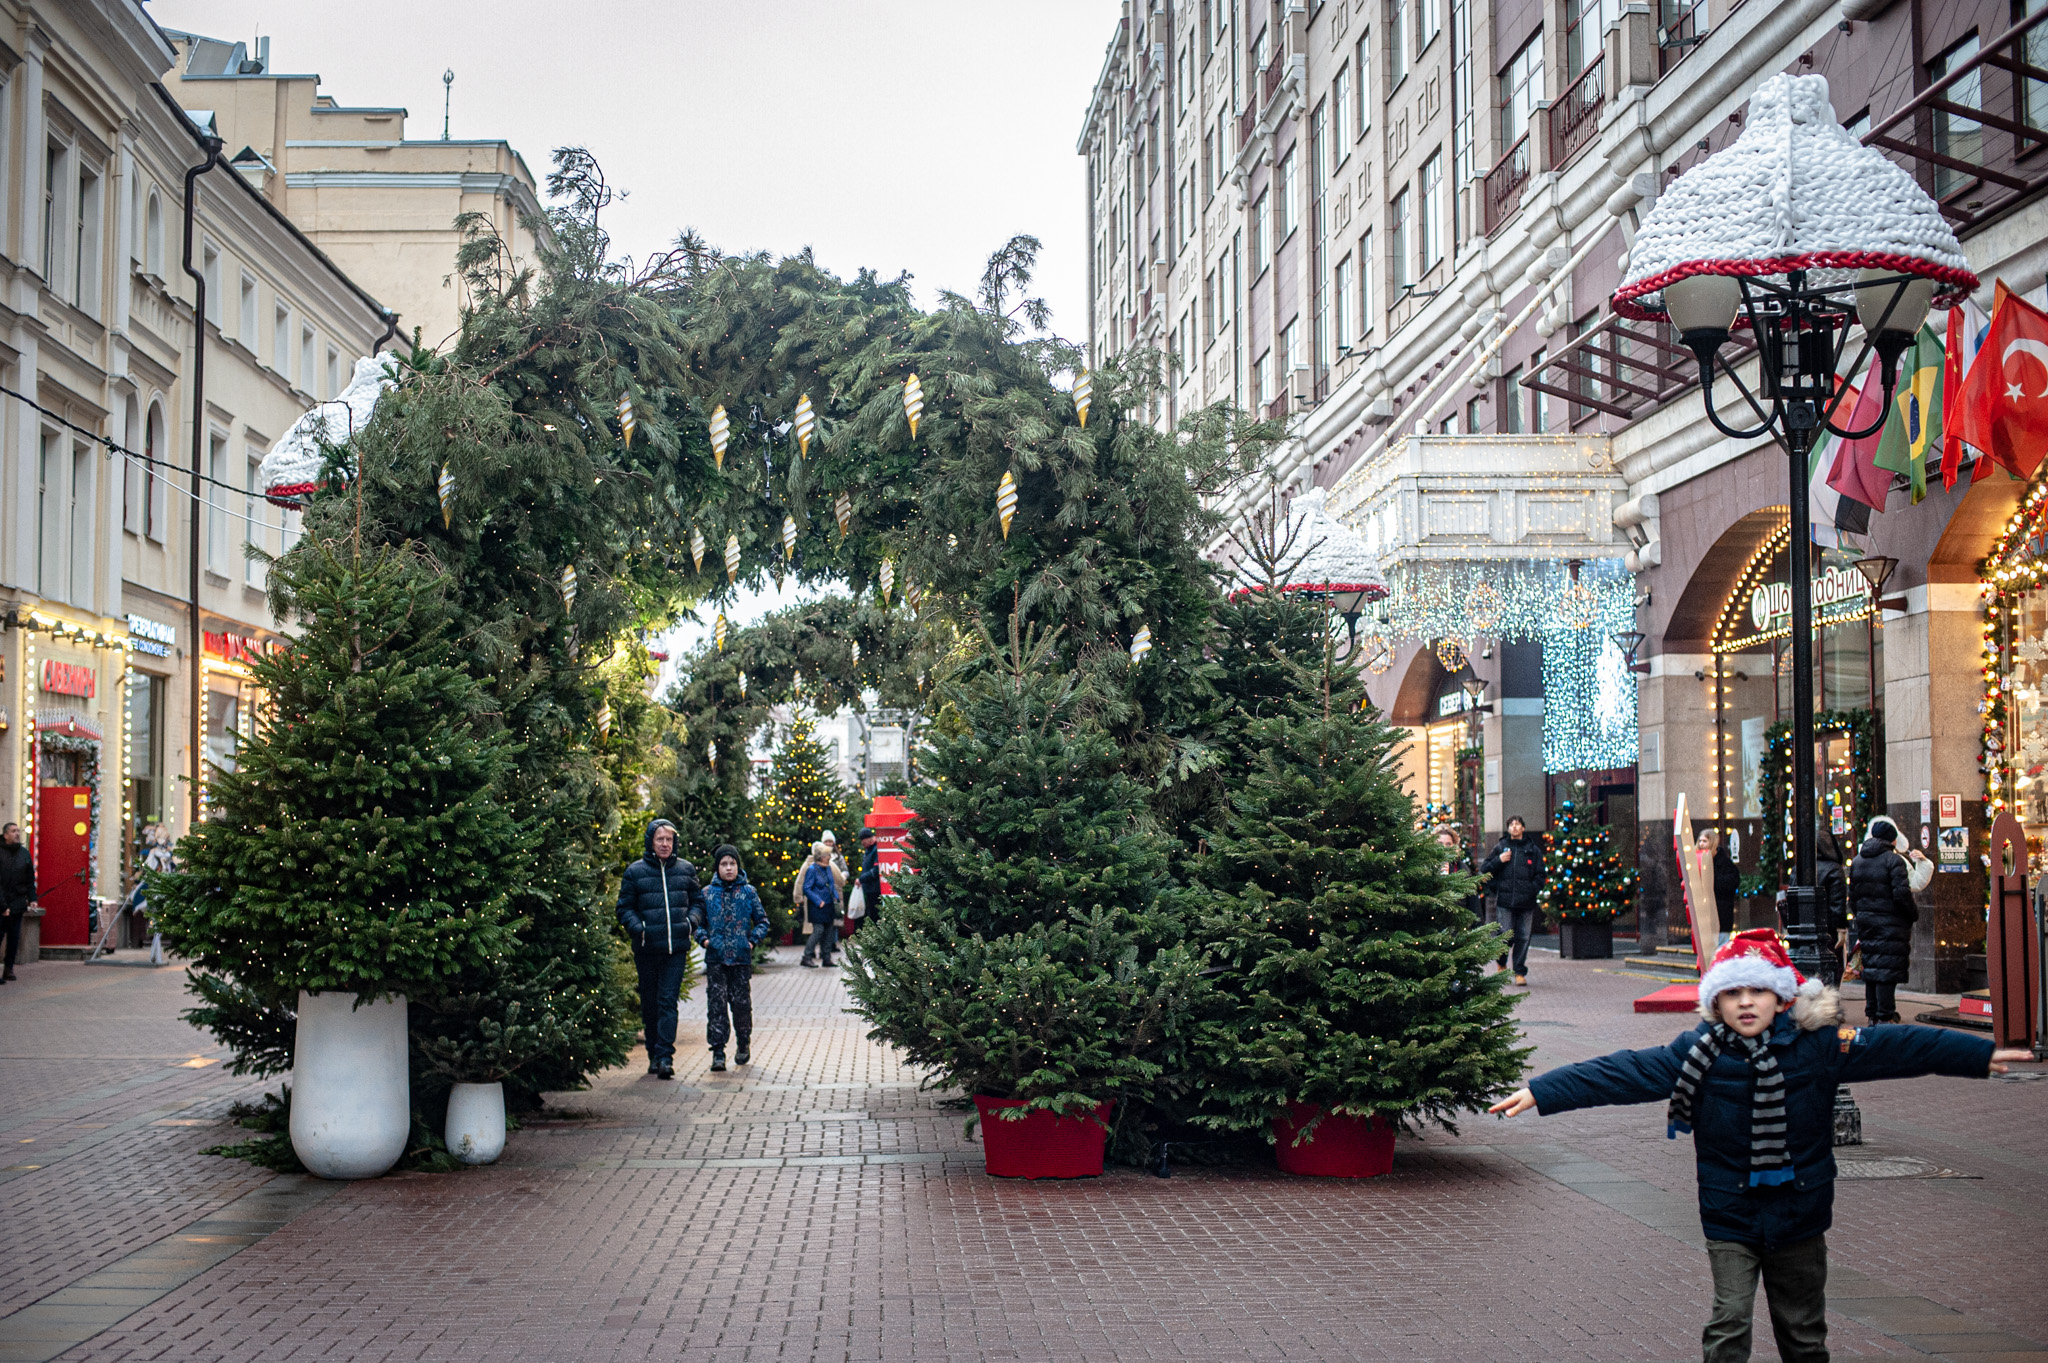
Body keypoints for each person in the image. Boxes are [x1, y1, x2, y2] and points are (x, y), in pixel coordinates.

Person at [1490, 928, 2028, 1363]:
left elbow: (1903, 1046)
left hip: (1800, 1210)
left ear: (1781, 997)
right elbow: (1621, 1072)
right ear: (1716, 1001)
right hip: (1731, 1211)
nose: (1746, 1002)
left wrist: (1977, 1055)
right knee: (1729, 1325)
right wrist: (1542, 1090)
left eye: (1757, 991)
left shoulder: (1819, 1046)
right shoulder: (1696, 1054)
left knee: (1802, 1334)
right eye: (1732, 993)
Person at [614, 819, 704, 1079]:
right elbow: (624, 908)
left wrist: (691, 922)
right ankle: (653, 1053)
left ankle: (665, 1057)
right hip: (647, 949)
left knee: (667, 1002)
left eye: (669, 839)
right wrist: (638, 928)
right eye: (660, 839)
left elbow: (698, 902)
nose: (665, 844)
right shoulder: (635, 872)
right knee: (651, 1003)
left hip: (675, 949)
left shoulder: (685, 869)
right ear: (651, 842)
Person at [692, 843, 770, 1072]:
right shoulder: (707, 893)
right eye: (724, 864)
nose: (728, 868)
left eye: (732, 863)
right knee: (716, 1006)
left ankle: (743, 1042)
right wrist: (705, 941)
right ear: (717, 868)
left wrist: (751, 941)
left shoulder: (748, 892)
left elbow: (762, 921)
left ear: (738, 866)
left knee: (741, 1005)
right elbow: (697, 923)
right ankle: (718, 1051)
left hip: (740, 959)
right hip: (716, 960)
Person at [1848, 817, 1931, 1024]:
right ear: (1892, 840)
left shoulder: (1858, 861)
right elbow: (1902, 894)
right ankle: (1885, 1015)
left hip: (1867, 924)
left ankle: (1872, 1014)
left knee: (1871, 969)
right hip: (1891, 925)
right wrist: (1912, 914)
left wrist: (1862, 916)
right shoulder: (1893, 861)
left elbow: (1853, 897)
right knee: (1886, 970)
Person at [1487, 816, 1544, 986]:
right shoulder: (1501, 847)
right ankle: (1501, 963)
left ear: (1523, 828)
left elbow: (1540, 874)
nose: (1514, 827)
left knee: (1523, 937)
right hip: (1505, 901)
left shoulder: (1533, 850)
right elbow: (1486, 869)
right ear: (1508, 829)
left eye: (1517, 824)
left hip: (1526, 902)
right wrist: (1499, 860)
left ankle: (1519, 971)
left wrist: (1532, 889)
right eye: (1511, 824)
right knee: (1505, 935)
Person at [0, 822, 35, 983]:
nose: (17, 834)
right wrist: (3, 906)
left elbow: (29, 879)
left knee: (13, 939)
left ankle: (9, 969)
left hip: (17, 903)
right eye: (13, 831)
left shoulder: (24, 854)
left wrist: (32, 898)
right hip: (2, 902)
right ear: (5, 835)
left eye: (18, 831)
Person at [799, 841, 842, 968]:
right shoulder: (812, 869)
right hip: (817, 906)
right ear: (820, 857)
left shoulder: (828, 868)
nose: (829, 857)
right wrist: (818, 901)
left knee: (829, 930)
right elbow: (806, 888)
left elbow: (831, 885)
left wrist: (836, 898)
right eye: (827, 855)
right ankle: (806, 956)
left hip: (829, 904)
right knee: (818, 930)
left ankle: (826, 958)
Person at [1703, 829, 1740, 931]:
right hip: (1704, 917)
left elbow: (1731, 882)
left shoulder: (1725, 863)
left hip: (1721, 915)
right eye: (1700, 841)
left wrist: (1712, 880)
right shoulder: (1699, 862)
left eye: (1705, 841)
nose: (1701, 844)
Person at [856, 827, 883, 923]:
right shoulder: (869, 850)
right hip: (870, 889)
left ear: (869, 838)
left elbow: (876, 870)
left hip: (875, 889)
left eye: (863, 841)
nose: (862, 843)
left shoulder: (876, 849)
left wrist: (861, 879)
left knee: (875, 914)